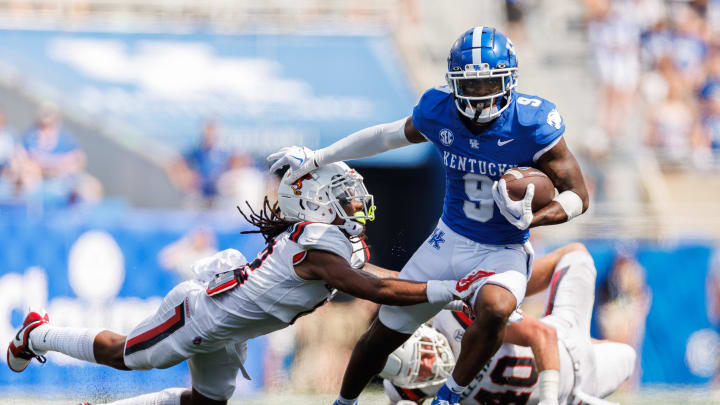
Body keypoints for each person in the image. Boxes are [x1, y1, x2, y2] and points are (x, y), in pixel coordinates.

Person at [267, 26, 590, 405]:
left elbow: (578, 196)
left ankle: (448, 398)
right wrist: (321, 156)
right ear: (454, 84)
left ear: (508, 80)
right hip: (448, 238)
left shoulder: (533, 123)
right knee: (385, 332)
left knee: (497, 308)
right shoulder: (440, 110)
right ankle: (345, 401)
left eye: (489, 84)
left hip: (503, 248)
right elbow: (387, 136)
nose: (480, 96)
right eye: (470, 86)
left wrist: (533, 219)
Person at [7, 162, 490, 405]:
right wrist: (453, 291)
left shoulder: (339, 241)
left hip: (229, 329)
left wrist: (445, 288)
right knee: (126, 355)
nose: (354, 202)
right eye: (341, 197)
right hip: (203, 315)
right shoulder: (319, 246)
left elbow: (384, 278)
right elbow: (375, 291)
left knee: (206, 402)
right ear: (319, 206)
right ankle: (35, 333)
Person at [381, 243, 636, 405]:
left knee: (576, 255)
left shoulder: (457, 320)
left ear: (423, 335)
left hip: (564, 346)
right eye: (418, 372)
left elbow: (542, 335)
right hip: (573, 396)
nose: (428, 367)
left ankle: (512, 282)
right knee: (627, 356)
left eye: (423, 357)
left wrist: (549, 399)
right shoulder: (407, 388)